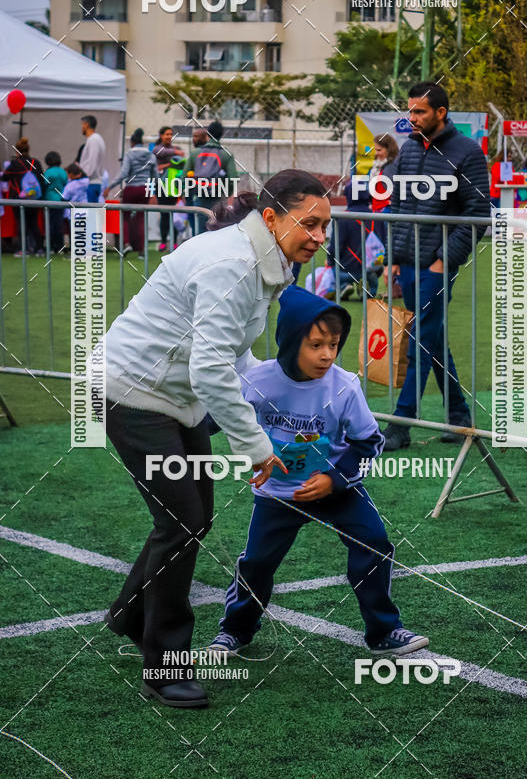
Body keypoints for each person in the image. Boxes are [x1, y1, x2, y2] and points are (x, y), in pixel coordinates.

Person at [101, 170, 330, 708]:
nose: (320, 235)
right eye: (310, 222)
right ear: (271, 218)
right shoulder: (234, 263)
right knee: (180, 520)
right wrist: (255, 446)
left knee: (191, 518)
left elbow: (235, 358)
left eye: (325, 224)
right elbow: (211, 371)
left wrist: (283, 390)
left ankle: (130, 615)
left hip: (174, 398)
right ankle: (164, 666)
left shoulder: (263, 261)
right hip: (131, 393)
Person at [207, 284, 429, 658]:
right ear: (291, 341)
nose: (327, 354)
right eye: (316, 345)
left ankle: (384, 632)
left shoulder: (344, 387)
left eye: (334, 344)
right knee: (257, 562)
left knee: (373, 543)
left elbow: (368, 442)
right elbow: (218, 419)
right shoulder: (257, 381)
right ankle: (236, 630)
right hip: (279, 494)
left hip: (337, 490)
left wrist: (334, 479)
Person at [382, 81, 490, 450]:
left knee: (418, 341)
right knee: (431, 338)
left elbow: (479, 215)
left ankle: (400, 423)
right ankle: (459, 416)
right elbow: (397, 207)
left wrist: (445, 261)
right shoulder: (409, 151)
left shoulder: (468, 153)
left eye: (419, 111)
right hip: (408, 264)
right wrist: (392, 259)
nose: (411, 118)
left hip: (436, 267)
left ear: (441, 113)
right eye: (409, 111)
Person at [326, 181, 385, 299]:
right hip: (373, 268)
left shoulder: (342, 218)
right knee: (372, 271)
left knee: (333, 265)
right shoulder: (378, 217)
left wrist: (330, 262)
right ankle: (369, 287)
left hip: (346, 270)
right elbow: (384, 243)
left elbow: (335, 247)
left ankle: (344, 285)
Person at [106, 128, 158, 257]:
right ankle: (141, 251)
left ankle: (127, 244)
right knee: (141, 218)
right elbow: (155, 177)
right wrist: (153, 192)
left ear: (132, 143)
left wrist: (110, 187)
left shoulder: (129, 154)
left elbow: (123, 174)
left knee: (125, 216)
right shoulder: (151, 155)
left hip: (131, 188)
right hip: (145, 189)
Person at [184, 120, 238, 235]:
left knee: (199, 233)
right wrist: (227, 193)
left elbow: (184, 177)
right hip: (218, 198)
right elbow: (233, 178)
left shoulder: (195, 153)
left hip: (199, 196)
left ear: (208, 134)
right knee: (217, 231)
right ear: (221, 134)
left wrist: (189, 192)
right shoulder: (226, 155)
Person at [3, 138, 44, 253]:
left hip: (18, 198)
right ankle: (39, 248)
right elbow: (42, 178)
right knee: (34, 223)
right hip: (34, 197)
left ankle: (23, 249)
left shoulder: (14, 163)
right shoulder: (35, 162)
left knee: (21, 224)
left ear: (16, 151)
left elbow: (5, 177)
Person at [152, 126, 185, 252]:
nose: (169, 136)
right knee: (164, 214)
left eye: (171, 134)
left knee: (173, 214)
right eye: (167, 134)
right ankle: (163, 242)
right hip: (161, 185)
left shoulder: (174, 149)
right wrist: (175, 154)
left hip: (173, 186)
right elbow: (160, 153)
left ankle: (175, 242)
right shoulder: (157, 148)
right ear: (161, 136)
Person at [42, 151, 68, 254]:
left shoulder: (48, 172)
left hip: (49, 200)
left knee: (49, 224)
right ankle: (60, 246)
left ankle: (50, 247)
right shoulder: (63, 172)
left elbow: (43, 185)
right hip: (61, 201)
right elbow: (66, 183)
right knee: (59, 224)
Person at [79, 115, 107, 203]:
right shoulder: (97, 139)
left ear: (86, 124)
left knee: (90, 214)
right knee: (93, 213)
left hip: (92, 182)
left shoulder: (93, 139)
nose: (82, 127)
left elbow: (92, 161)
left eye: (82, 125)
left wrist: (83, 173)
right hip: (95, 182)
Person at [370, 132, 399, 214]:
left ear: (389, 149)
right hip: (378, 209)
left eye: (379, 150)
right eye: (375, 150)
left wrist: (393, 202)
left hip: (387, 210)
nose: (376, 153)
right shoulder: (377, 165)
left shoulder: (392, 166)